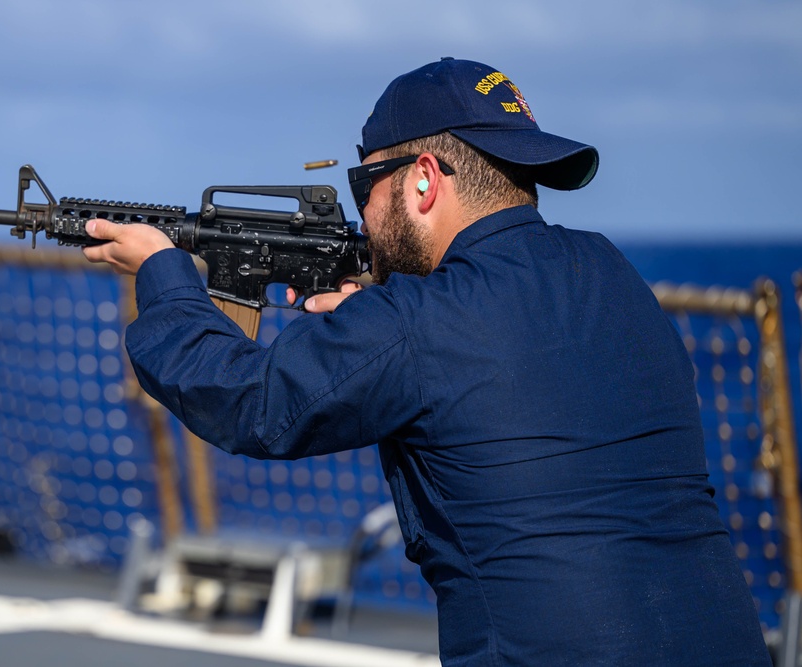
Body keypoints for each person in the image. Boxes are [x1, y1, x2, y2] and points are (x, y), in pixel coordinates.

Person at [82, 58, 770, 666]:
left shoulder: (416, 321)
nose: (364, 214)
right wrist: (377, 314)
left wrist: (164, 275)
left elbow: (250, 401)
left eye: (365, 188)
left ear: (423, 181)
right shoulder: (614, 275)